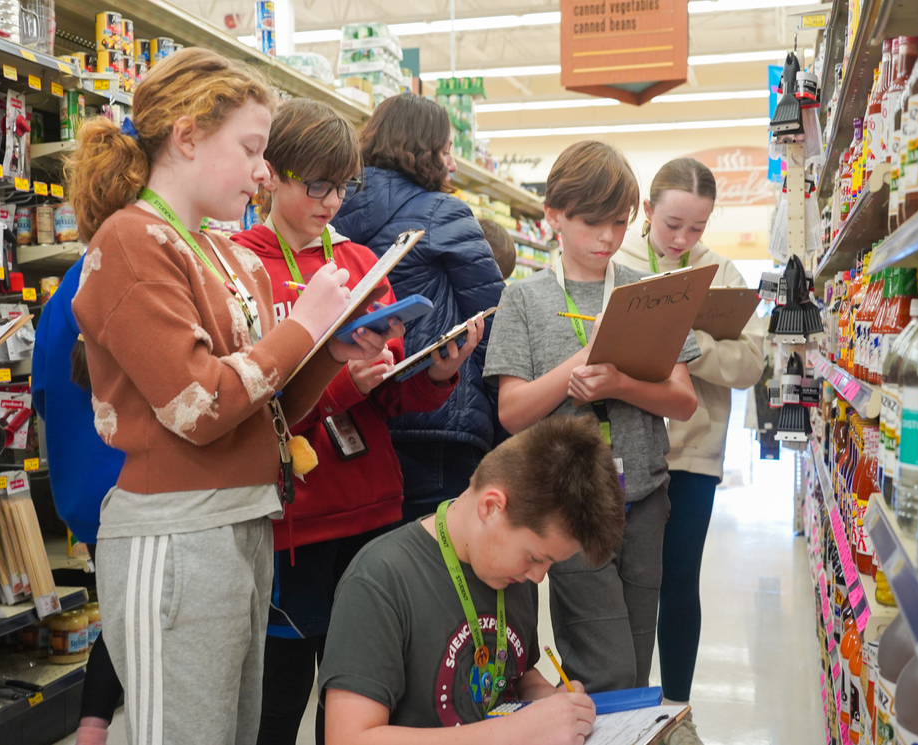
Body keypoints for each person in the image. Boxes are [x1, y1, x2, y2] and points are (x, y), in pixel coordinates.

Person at [68, 49, 397, 745]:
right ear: (186, 137)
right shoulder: (132, 239)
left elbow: (266, 406)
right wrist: (303, 321)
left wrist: (326, 350)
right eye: (251, 148)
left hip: (246, 520)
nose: (262, 171)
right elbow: (200, 405)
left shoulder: (226, 254)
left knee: (234, 730)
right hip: (177, 529)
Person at [230, 98, 484, 745]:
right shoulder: (238, 265)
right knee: (279, 689)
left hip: (372, 509)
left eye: (342, 185)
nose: (331, 202)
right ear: (272, 173)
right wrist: (344, 380)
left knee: (360, 690)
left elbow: (393, 403)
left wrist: (433, 373)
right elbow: (257, 405)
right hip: (293, 519)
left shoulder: (361, 264)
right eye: (316, 184)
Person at [483, 141, 701, 693]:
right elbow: (511, 413)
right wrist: (580, 363)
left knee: (637, 651)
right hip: (567, 504)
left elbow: (683, 400)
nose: (607, 238)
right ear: (553, 215)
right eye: (591, 222)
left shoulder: (651, 294)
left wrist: (621, 382)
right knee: (604, 664)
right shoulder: (523, 301)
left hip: (645, 497)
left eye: (619, 223)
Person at [319, 415, 626, 745]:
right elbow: (348, 738)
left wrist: (546, 699)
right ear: (491, 507)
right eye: (536, 558)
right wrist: (515, 733)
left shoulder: (512, 574)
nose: (538, 576)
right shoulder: (380, 579)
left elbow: (514, 679)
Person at [616, 158, 765, 715]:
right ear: (648, 211)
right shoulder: (614, 260)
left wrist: (693, 345)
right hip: (621, 450)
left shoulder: (721, 273)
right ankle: (626, 707)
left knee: (679, 580)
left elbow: (752, 362)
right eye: (672, 224)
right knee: (625, 586)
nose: (683, 239)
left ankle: (677, 709)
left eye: (697, 228)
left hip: (692, 453)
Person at [331, 93, 505, 523]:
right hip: (440, 418)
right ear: (423, 151)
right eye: (447, 149)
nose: (453, 163)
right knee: (439, 567)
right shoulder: (443, 213)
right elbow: (494, 320)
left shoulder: (331, 209)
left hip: (356, 412)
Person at [32, 256, 124, 745]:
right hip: (138, 487)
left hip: (87, 494)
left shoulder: (66, 288)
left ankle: (92, 727)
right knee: (136, 624)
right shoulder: (146, 270)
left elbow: (42, 391)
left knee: (117, 612)